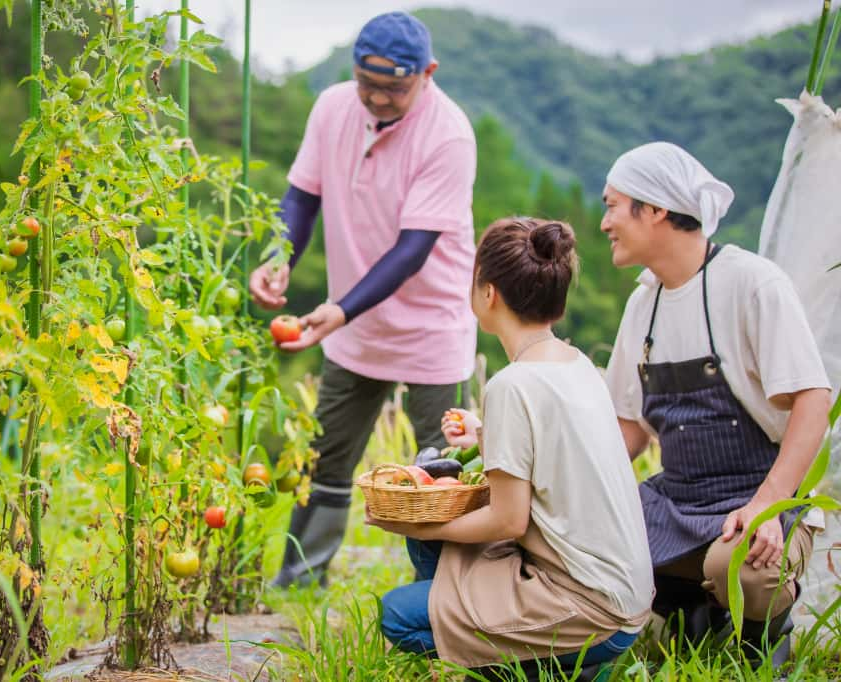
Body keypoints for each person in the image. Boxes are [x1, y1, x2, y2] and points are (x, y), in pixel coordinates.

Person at [249, 11, 478, 588]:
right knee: (326, 455)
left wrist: (340, 309)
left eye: (394, 88)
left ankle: (448, 593)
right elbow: (301, 197)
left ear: (428, 73)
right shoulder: (332, 107)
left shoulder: (448, 135)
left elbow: (413, 249)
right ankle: (301, 580)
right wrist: (281, 258)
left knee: (443, 470)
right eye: (366, 83)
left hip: (432, 326)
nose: (376, 97)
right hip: (353, 323)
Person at [370, 218, 654, 673]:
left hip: (588, 606)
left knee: (400, 616)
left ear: (489, 293)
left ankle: (539, 663)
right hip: (625, 595)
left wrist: (420, 528)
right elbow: (555, 446)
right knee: (437, 550)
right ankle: (489, 629)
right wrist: (485, 433)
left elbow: (507, 519)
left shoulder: (511, 385)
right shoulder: (576, 364)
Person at [601, 142, 832, 658]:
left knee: (740, 569)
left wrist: (769, 503)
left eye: (613, 205)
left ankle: (762, 641)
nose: (605, 223)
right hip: (678, 498)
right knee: (592, 539)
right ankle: (690, 613)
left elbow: (813, 401)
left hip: (761, 498)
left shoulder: (752, 282)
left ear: (656, 208)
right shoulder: (644, 303)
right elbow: (630, 431)